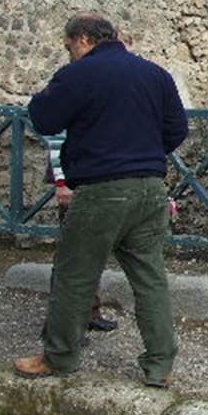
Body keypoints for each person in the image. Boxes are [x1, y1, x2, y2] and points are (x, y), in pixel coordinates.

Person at [14, 13, 188, 387]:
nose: (69, 54)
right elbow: (178, 129)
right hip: (150, 187)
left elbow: (43, 119)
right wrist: (141, 154)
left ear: (82, 40)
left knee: (75, 276)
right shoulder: (155, 74)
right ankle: (160, 365)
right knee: (150, 279)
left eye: (69, 47)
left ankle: (60, 357)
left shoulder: (79, 74)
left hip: (101, 191)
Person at [45, 132, 118, 334]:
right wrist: (62, 181)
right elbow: (57, 133)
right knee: (71, 255)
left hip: (95, 171)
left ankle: (88, 313)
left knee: (91, 251)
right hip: (75, 173)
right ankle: (63, 327)